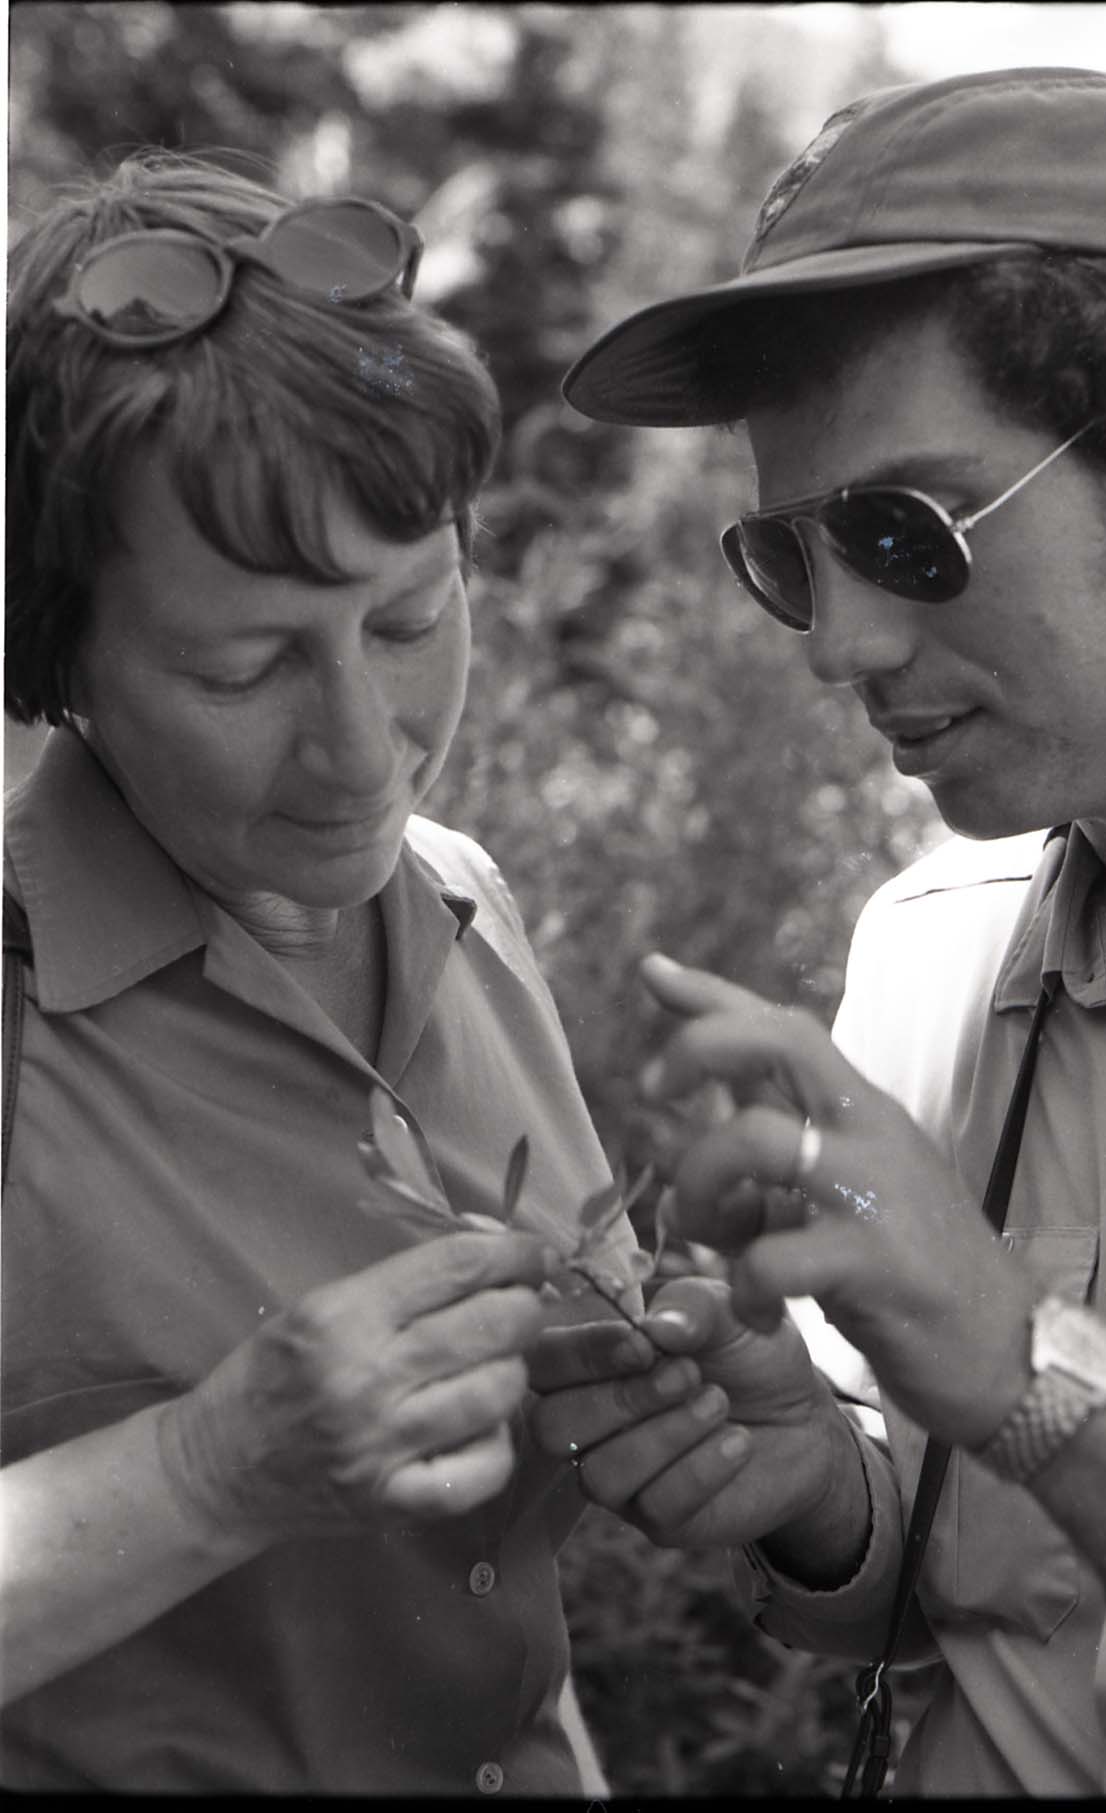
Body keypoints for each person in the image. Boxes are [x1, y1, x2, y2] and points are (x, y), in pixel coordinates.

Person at [529, 67, 1106, 1796]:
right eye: (787, 556)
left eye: (908, 530)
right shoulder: (932, 956)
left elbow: (1021, 1388)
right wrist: (818, 1485)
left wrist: (1029, 1369)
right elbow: (954, 1580)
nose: (836, 645)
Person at [1, 149, 633, 1794]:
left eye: (412, 618)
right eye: (243, 661)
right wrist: (206, 1471)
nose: (365, 749)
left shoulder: (469, 909)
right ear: (55, 661)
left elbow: (508, 1625)